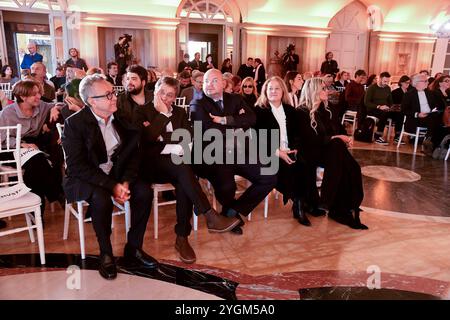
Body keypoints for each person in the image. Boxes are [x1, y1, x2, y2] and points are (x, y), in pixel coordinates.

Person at [116, 66, 240, 263]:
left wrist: (163, 138)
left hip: (175, 165)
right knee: (183, 168)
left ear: (175, 97)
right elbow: (147, 140)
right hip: (150, 167)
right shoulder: (141, 112)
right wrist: (163, 116)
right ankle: (209, 215)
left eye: (170, 95)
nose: (165, 97)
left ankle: (182, 238)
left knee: (184, 178)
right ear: (155, 90)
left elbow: (188, 137)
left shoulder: (180, 113)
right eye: (162, 92)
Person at [62, 74, 157, 280]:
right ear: (91, 101)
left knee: (143, 192)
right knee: (101, 199)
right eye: (108, 95)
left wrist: (125, 182)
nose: (114, 97)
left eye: (113, 92)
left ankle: (133, 248)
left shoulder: (122, 117)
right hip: (86, 176)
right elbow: (77, 166)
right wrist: (112, 186)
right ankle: (106, 252)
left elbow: (133, 154)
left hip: (116, 172)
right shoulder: (75, 124)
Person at [190, 69, 277, 235]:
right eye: (206, 81)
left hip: (237, 152)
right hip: (209, 155)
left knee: (269, 177)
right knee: (227, 184)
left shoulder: (235, 99)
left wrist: (225, 120)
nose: (209, 85)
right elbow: (209, 130)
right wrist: (236, 128)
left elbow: (251, 119)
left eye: (214, 81)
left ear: (223, 84)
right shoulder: (198, 103)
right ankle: (228, 216)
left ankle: (231, 212)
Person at [297, 77, 368, 230]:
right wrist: (336, 138)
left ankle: (334, 203)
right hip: (312, 151)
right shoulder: (302, 111)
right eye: (323, 88)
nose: (327, 91)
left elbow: (338, 129)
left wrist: (346, 137)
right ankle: (336, 203)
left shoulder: (328, 109)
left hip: (330, 150)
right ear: (313, 90)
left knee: (353, 168)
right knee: (337, 148)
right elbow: (310, 140)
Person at [254, 76, 319, 226]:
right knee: (291, 168)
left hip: (289, 150)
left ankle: (304, 202)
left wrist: (294, 149)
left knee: (306, 162)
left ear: (283, 91)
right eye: (270, 88)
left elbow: (297, 134)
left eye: (277, 88)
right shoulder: (259, 111)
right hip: (270, 153)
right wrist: (279, 152)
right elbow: (258, 139)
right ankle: (299, 205)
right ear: (265, 91)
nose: (273, 91)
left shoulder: (290, 110)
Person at [0, 80, 64, 216]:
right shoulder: (7, 113)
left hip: (32, 145)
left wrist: (55, 108)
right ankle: (55, 192)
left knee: (35, 165)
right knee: (37, 160)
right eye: (34, 94)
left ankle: (37, 210)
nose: (39, 97)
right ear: (23, 97)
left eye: (38, 93)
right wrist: (20, 144)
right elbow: (1, 139)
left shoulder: (41, 106)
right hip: (9, 148)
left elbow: (62, 105)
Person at [401, 73, 442, 150]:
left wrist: (435, 110)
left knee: (440, 121)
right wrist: (417, 114)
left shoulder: (430, 93)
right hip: (415, 119)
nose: (428, 82)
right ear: (417, 82)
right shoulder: (409, 94)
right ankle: (429, 141)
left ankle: (431, 142)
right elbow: (404, 110)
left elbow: (435, 106)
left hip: (429, 116)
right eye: (425, 81)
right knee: (435, 122)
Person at [364, 72, 403, 144]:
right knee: (384, 114)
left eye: (388, 81)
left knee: (399, 114)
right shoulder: (372, 88)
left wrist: (391, 107)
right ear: (380, 79)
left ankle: (397, 136)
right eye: (385, 81)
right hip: (373, 109)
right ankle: (378, 136)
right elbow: (366, 102)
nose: (386, 83)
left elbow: (390, 101)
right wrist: (379, 106)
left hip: (385, 109)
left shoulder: (387, 88)